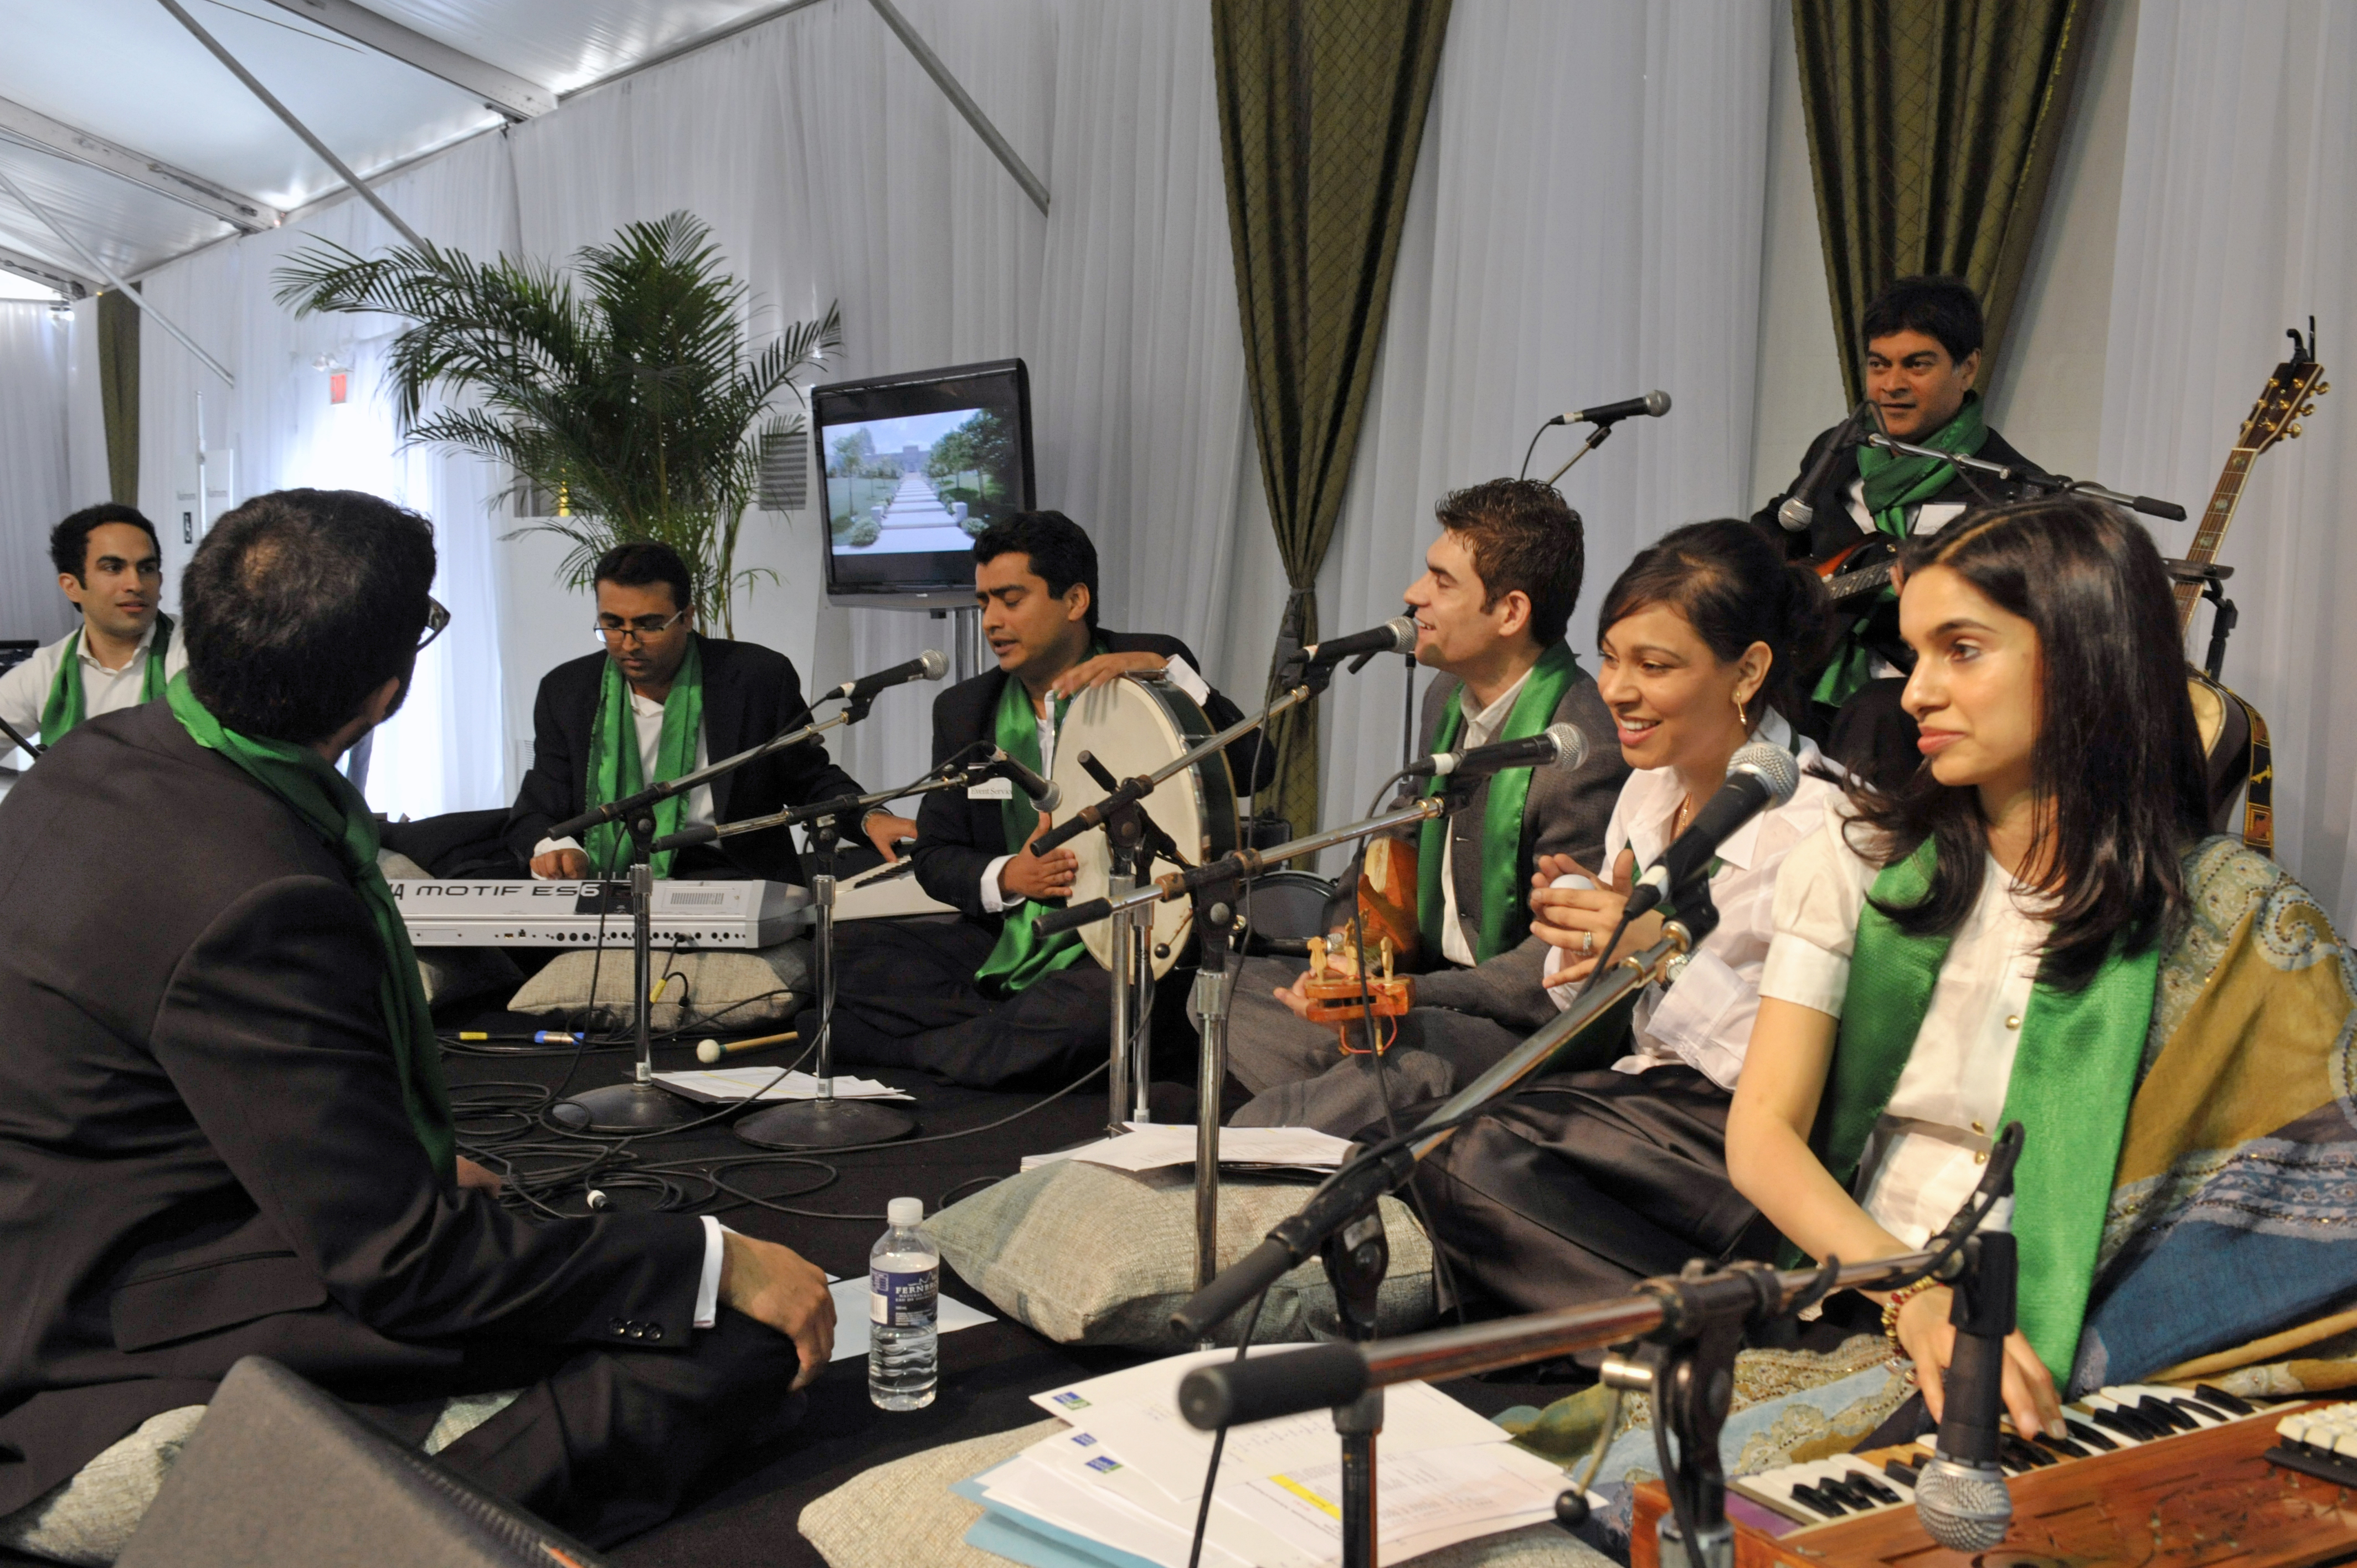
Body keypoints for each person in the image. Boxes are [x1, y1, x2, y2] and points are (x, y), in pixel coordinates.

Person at [0, 489, 836, 1550]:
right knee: (726, 1345)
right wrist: (707, 1259)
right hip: (113, 1342)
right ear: (385, 689)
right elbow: (405, 1265)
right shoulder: (263, 892)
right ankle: (336, 1524)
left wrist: (395, 1163)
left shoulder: (91, 761)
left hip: (60, 1248)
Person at [1726, 495, 2357, 1443]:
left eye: (1962, 649)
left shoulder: (2238, 911)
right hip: (1873, 1295)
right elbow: (1763, 1132)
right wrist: (1915, 1293)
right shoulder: (1857, 859)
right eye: (1914, 653)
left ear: (2084, 656)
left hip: (2116, 1319)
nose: (1915, 693)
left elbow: (2321, 1182)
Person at [1407, 520, 1842, 1309]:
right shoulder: (1652, 787)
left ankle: (1721, 1332)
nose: (1615, 691)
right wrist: (1577, 938)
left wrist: (1663, 957)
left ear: (1747, 672)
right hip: (1645, 1095)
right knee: (1407, 1141)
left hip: (1744, 1134)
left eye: (1654, 665)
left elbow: (1808, 1070)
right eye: (1610, 657)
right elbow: (1597, 1002)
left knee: (1468, 1160)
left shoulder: (1824, 829)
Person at [1222, 478, 1628, 1129]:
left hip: (1515, 1030)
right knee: (1224, 992)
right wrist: (1344, 954)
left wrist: (1400, 996)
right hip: (1422, 1000)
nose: (1413, 596)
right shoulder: (1445, 696)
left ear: (1510, 612)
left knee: (1392, 1067)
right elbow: (1400, 843)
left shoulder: (1580, 745)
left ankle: (1326, 1109)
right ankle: (1361, 1106)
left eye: (1441, 581)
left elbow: (1550, 970)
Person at [817, 510, 1273, 1089]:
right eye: (984, 603)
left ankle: (931, 1049)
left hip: (1122, 942)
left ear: (1075, 600)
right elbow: (936, 854)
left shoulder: (1148, 665)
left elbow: (1257, 766)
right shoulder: (964, 712)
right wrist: (1012, 875)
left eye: (1010, 599)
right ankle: (998, 1043)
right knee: (846, 956)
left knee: (1104, 1005)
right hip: (1008, 937)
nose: (991, 622)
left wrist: (1170, 676)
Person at [1752, 275, 2047, 788]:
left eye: (1917, 364)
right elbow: (1780, 530)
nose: (1891, 385)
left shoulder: (2009, 491)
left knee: (1876, 714)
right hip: (1810, 664)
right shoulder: (1839, 450)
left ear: (1968, 367)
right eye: (1878, 364)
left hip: (1914, 691)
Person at [505, 539, 913, 881]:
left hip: (731, 873)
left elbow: (809, 779)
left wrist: (869, 817)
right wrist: (555, 848)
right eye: (612, 624)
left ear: (687, 618)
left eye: (649, 625)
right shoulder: (567, 691)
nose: (628, 643)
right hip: (608, 882)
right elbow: (539, 806)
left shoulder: (755, 677)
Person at [0, 504, 188, 755]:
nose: (136, 584)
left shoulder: (196, 650)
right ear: (71, 587)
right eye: (113, 568)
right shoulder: (46, 672)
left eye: (146, 569)